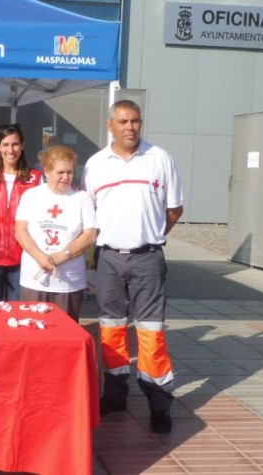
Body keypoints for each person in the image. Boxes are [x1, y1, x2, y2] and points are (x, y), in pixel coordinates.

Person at [82, 99, 184, 435]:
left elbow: (174, 210)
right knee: (111, 330)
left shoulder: (160, 159)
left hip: (148, 258)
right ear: (110, 126)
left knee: (151, 332)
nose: (130, 127)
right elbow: (89, 214)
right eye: (123, 122)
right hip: (109, 258)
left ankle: (158, 403)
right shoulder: (95, 165)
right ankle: (115, 396)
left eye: (135, 121)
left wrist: (150, 237)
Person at [15, 145, 96, 321]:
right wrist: (40, 257)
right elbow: (20, 231)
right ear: (46, 171)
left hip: (68, 282)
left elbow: (90, 235)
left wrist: (62, 255)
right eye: (61, 172)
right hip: (34, 279)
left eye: (70, 172)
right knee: (33, 330)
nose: (66, 177)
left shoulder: (82, 198)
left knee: (65, 333)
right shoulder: (31, 195)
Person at [0, 123, 42, 301]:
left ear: (23, 145)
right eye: (5, 144)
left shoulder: (35, 178)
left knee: (16, 312)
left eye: (15, 144)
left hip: (22, 256)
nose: (10, 150)